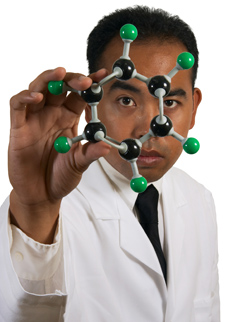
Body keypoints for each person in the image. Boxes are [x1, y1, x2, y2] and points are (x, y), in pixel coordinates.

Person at [0, 5, 220, 322]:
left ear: (194, 108)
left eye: (169, 102)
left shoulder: (200, 200)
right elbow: (19, 311)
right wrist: (35, 207)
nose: (149, 127)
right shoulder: (46, 212)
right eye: (126, 100)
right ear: (93, 105)